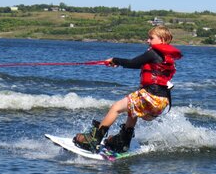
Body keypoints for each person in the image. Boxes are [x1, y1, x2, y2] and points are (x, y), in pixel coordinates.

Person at [73, 25, 183, 153]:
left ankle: (94, 139)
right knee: (133, 111)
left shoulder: (152, 53)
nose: (148, 41)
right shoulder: (166, 57)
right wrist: (118, 63)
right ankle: (123, 143)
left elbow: (133, 63)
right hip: (162, 101)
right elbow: (142, 65)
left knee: (116, 108)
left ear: (162, 40)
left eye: (151, 38)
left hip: (150, 96)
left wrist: (115, 59)